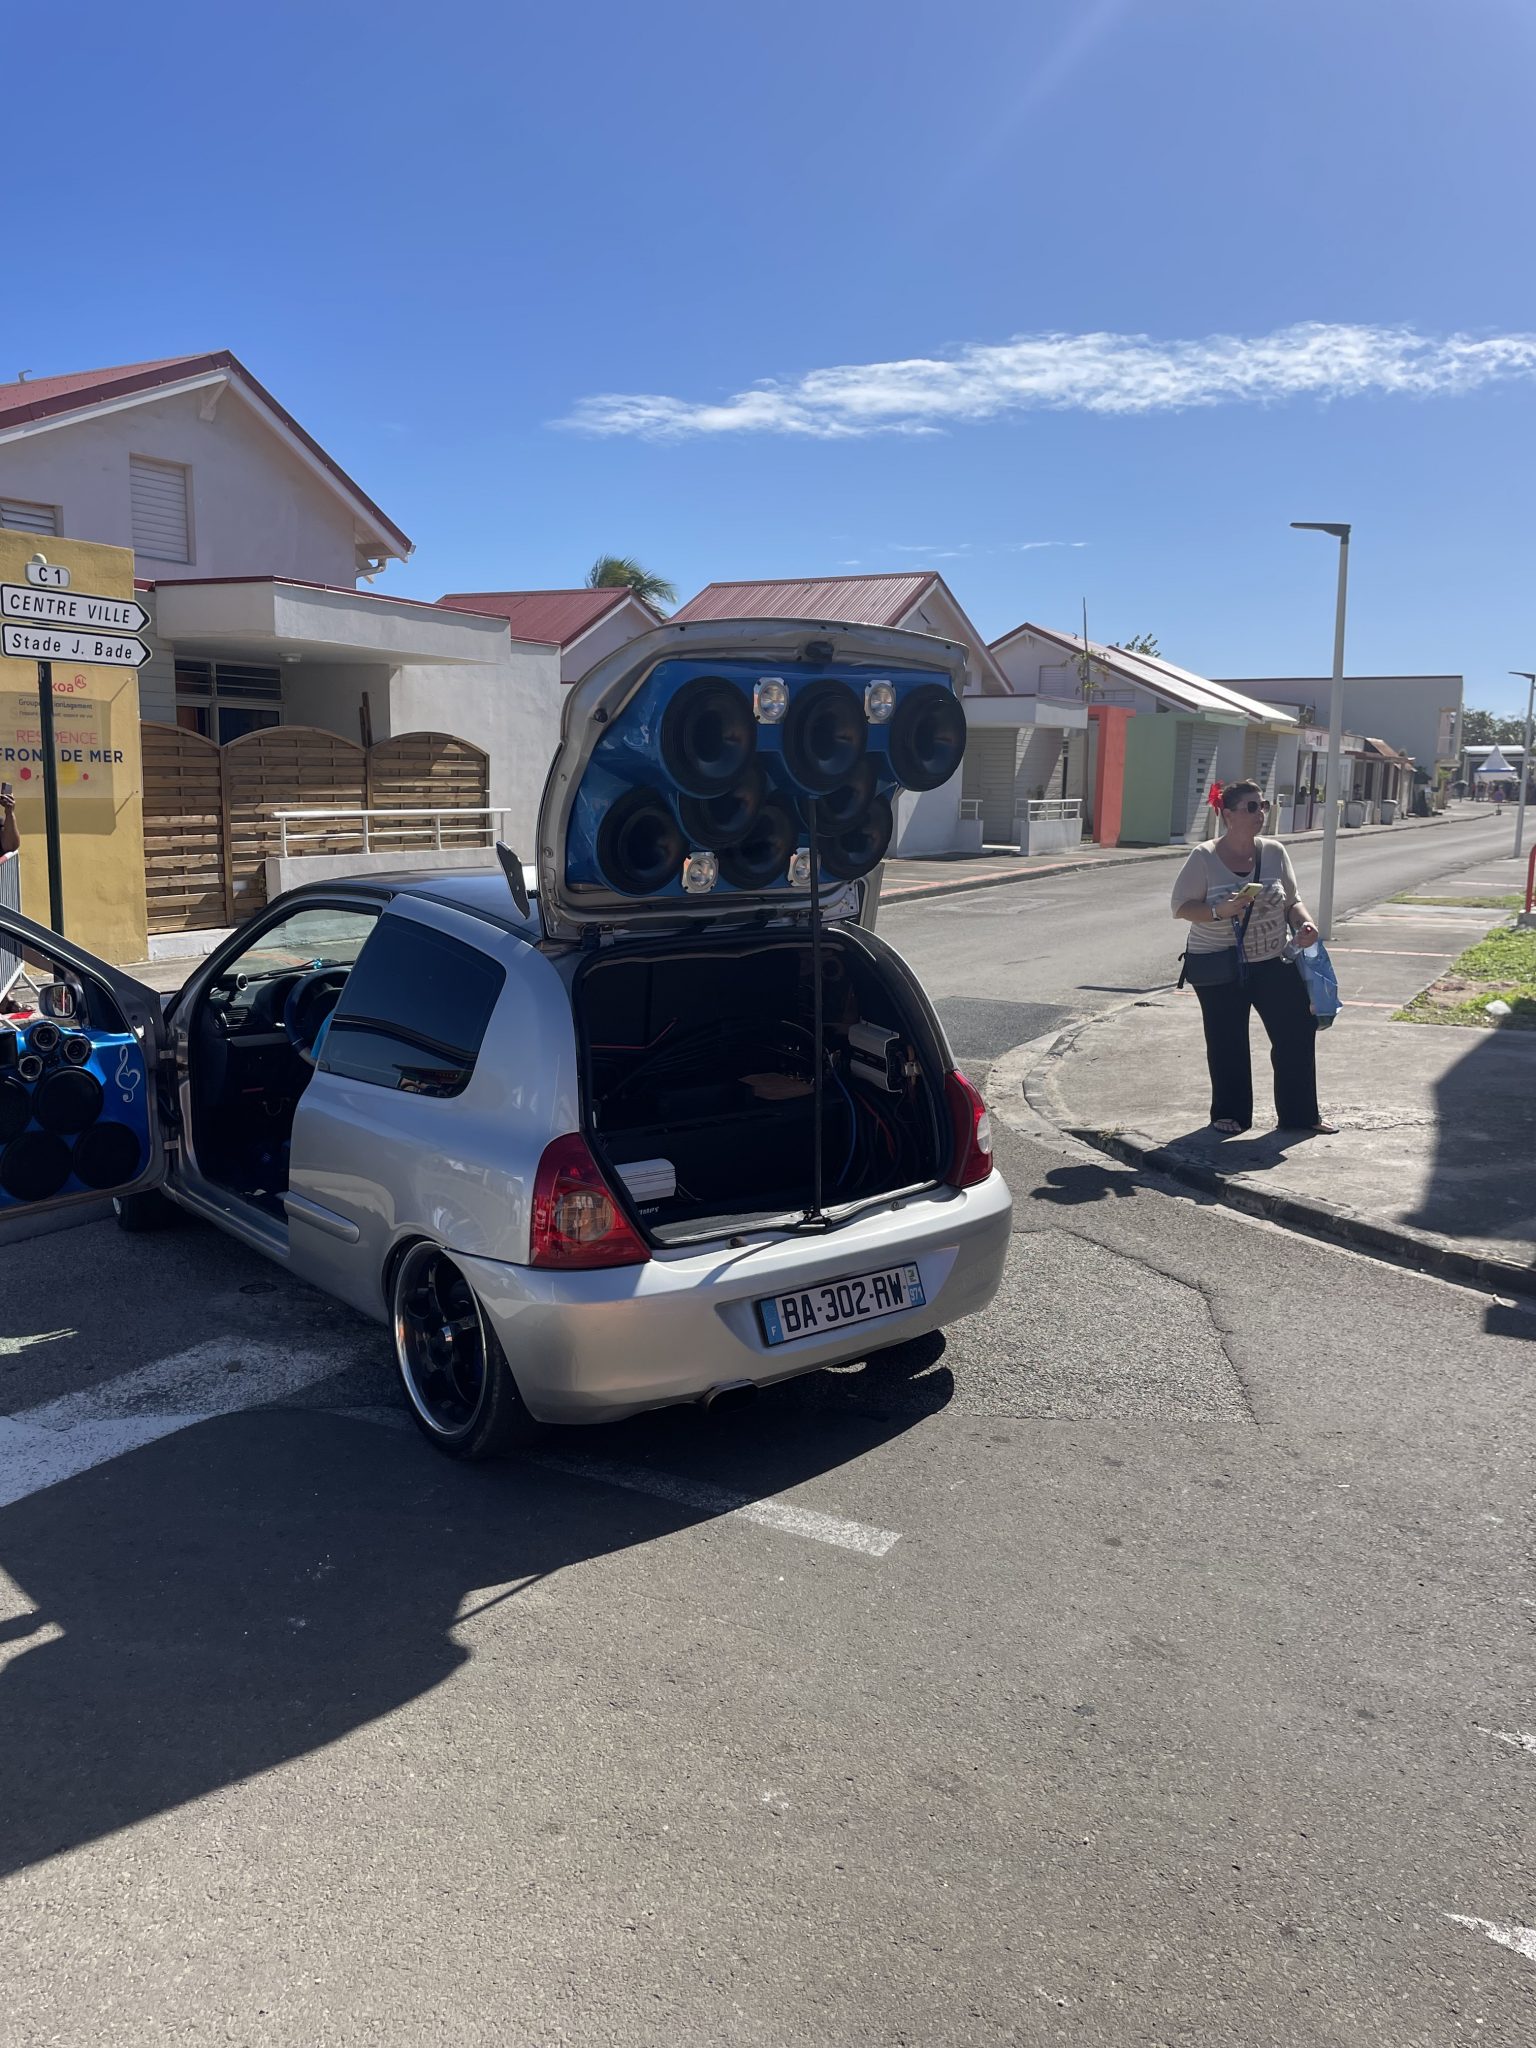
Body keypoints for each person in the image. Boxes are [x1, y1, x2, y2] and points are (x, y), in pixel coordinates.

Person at [1171, 780, 1336, 1137]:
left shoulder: (1274, 852)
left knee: (1297, 1030)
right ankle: (1230, 1114)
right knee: (1227, 1039)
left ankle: (1300, 1115)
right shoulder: (1204, 857)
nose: (1260, 813)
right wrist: (1219, 911)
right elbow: (1181, 907)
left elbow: (1292, 901)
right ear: (1228, 815)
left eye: (1263, 805)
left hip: (1273, 959)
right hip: (1218, 962)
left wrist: (1304, 924)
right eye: (1251, 807)